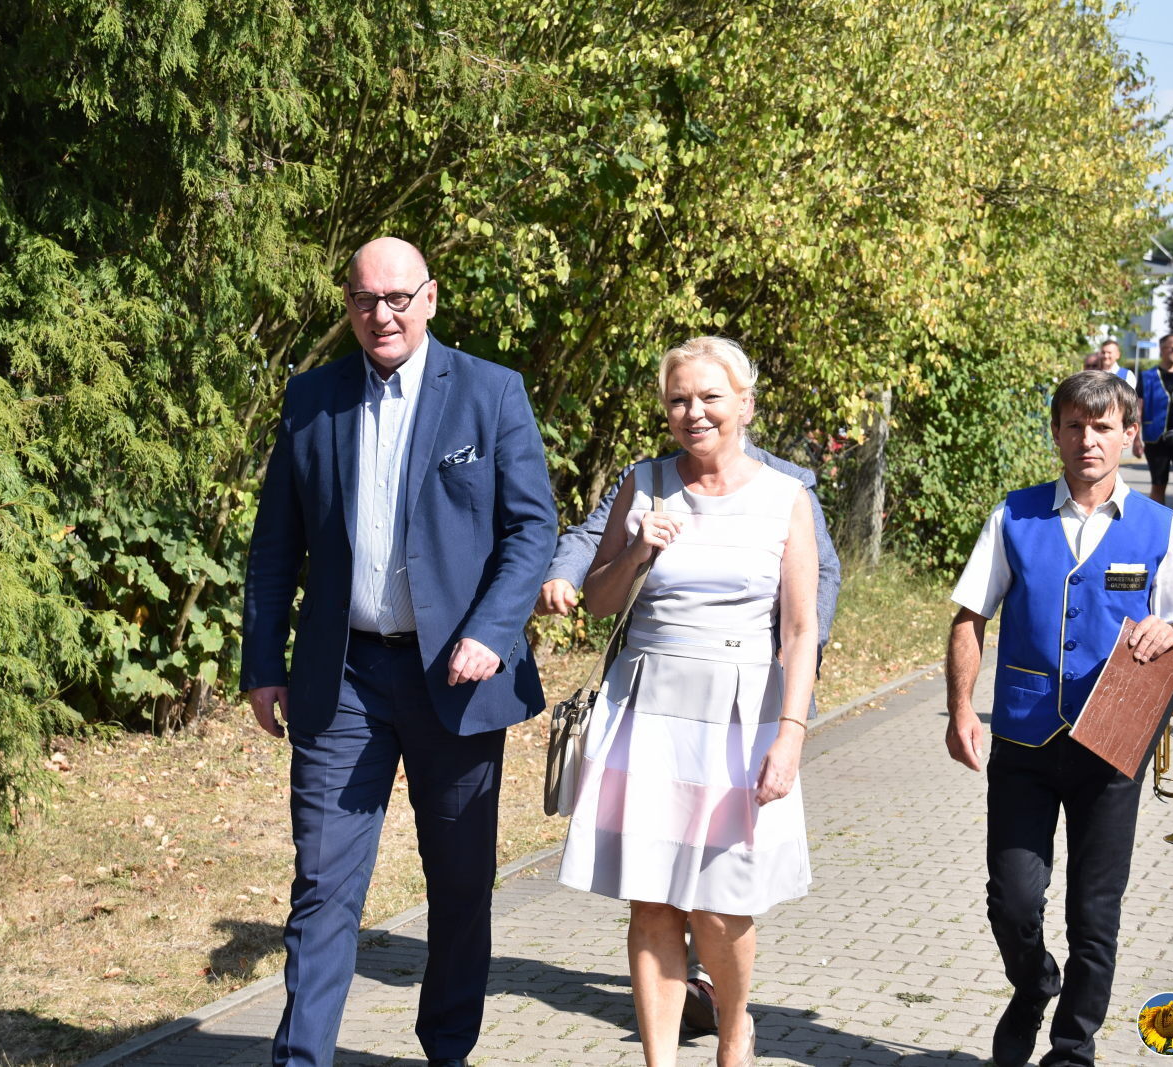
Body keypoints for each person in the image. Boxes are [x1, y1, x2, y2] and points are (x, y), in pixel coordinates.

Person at [241, 237, 557, 1067]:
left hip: (454, 677)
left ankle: (446, 1049)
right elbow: (275, 544)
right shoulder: (313, 398)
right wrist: (263, 663)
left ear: (430, 298)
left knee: (458, 884)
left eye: (397, 298)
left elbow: (532, 530)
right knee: (323, 884)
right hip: (343, 678)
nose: (381, 315)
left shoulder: (490, 392)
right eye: (364, 300)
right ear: (348, 304)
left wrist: (491, 631)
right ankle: (301, 1059)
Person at [558, 337, 818, 1067]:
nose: (693, 412)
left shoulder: (785, 497)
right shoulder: (643, 484)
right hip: (647, 709)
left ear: (745, 404)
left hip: (740, 718)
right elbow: (600, 601)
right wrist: (638, 549)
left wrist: (791, 734)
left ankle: (734, 1030)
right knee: (651, 900)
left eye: (709, 397)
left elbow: (801, 630)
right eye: (679, 399)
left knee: (718, 901)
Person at [946, 370, 1173, 1067]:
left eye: (1103, 427)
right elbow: (969, 616)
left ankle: (1072, 1049)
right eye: (1074, 426)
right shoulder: (1014, 515)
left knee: (1095, 914)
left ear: (1129, 435)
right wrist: (959, 708)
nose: (1088, 439)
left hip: (1114, 742)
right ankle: (1034, 984)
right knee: (1013, 899)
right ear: (1057, 433)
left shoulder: (1160, 527)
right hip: (1024, 735)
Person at [1132, 333, 1173, 530]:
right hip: (1156, 437)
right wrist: (1136, 439)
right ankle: (1158, 530)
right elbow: (1138, 407)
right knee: (1158, 484)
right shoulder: (1147, 376)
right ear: (1162, 350)